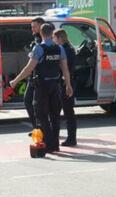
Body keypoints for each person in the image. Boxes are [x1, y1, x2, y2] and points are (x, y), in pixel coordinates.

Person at [10, 23, 73, 154]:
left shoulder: (39, 48)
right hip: (55, 86)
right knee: (55, 115)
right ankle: (55, 144)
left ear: (41, 33)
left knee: (41, 115)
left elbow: (29, 69)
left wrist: (15, 81)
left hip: (42, 87)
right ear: (52, 33)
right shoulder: (59, 48)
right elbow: (65, 69)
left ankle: (49, 144)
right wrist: (68, 85)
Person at [54, 29, 77, 147]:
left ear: (59, 38)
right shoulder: (69, 48)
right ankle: (67, 137)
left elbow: (64, 68)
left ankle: (71, 138)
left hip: (65, 83)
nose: (53, 41)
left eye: (54, 38)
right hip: (67, 82)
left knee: (67, 112)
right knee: (65, 111)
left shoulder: (65, 50)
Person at [23, 16, 45, 135]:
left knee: (37, 105)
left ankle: (40, 128)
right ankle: (37, 127)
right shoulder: (36, 40)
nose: (32, 29)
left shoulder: (44, 41)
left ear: (41, 26)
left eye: (34, 27)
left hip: (40, 77)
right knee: (28, 101)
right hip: (33, 76)